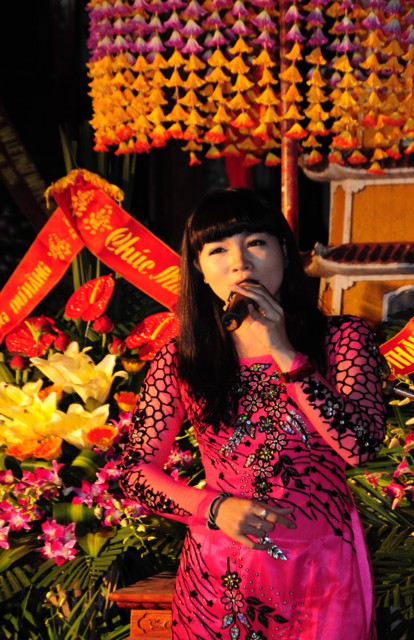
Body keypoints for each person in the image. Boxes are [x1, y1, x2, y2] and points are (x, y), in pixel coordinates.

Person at [119, 187, 386, 639]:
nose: (240, 263)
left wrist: (283, 350)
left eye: (256, 242)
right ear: (199, 269)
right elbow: (134, 472)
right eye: (218, 250)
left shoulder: (343, 339)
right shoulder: (181, 358)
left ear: (283, 251)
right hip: (218, 578)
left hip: (321, 573)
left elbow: (359, 447)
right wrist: (212, 508)